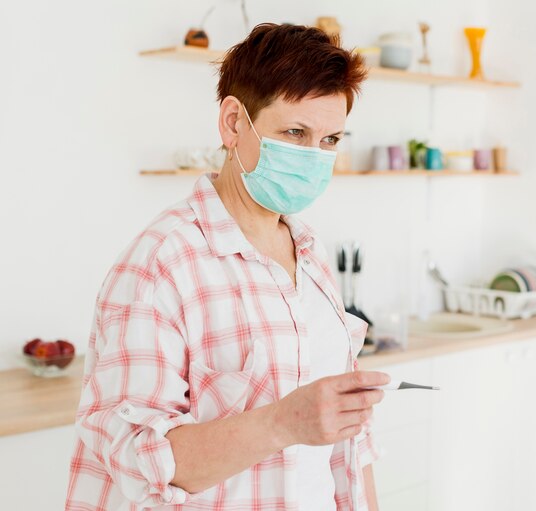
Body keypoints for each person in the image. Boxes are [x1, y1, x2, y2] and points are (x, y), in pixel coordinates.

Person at [65, 23, 390, 511]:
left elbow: (349, 440)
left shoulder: (310, 252)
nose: (313, 158)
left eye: (330, 140)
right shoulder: (161, 264)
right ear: (234, 122)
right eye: (295, 132)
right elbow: (138, 461)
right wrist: (284, 422)